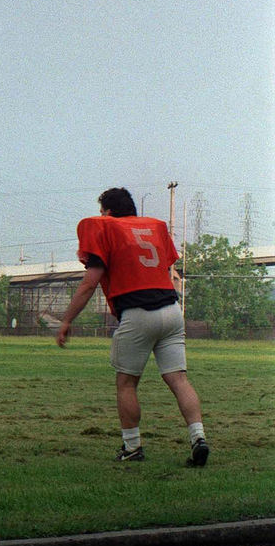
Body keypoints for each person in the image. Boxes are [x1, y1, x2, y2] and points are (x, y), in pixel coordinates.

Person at [57, 187, 209, 467]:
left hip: (138, 313)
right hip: (171, 310)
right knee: (179, 380)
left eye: (102, 212)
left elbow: (90, 283)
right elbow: (166, 271)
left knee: (126, 384)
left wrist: (66, 320)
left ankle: (132, 447)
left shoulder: (105, 230)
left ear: (109, 213)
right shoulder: (153, 228)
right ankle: (198, 437)